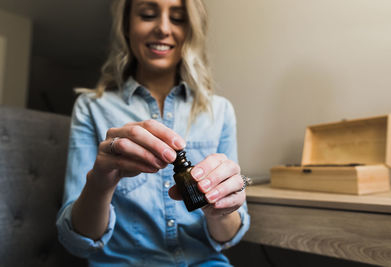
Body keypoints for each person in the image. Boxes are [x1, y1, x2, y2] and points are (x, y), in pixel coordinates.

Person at [56, 0, 250, 266]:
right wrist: (100, 183)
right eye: (148, 14)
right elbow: (76, 242)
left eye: (179, 18)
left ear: (192, 29)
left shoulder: (220, 111)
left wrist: (220, 210)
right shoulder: (92, 109)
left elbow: (228, 236)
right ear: (127, 26)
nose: (163, 28)